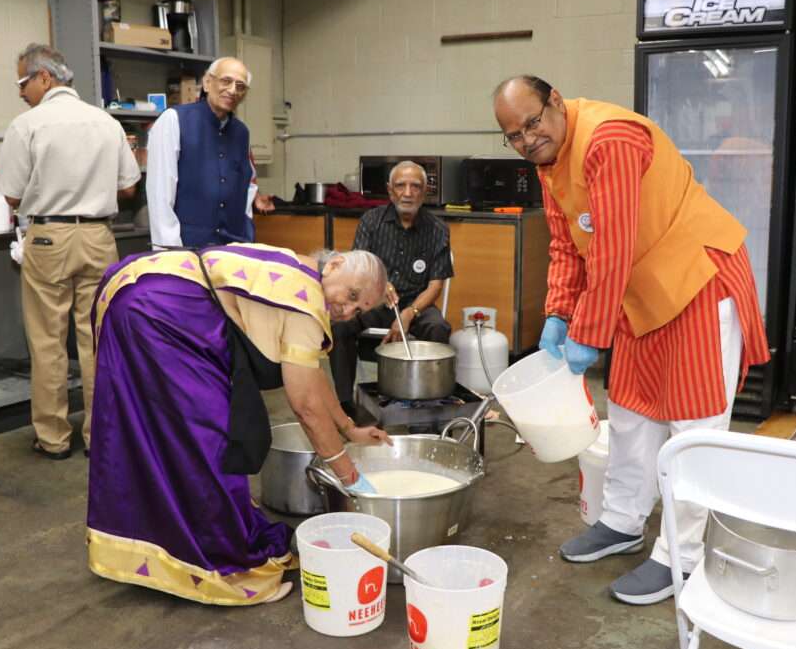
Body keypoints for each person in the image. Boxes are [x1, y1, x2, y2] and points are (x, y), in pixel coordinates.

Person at [493, 76, 770, 605]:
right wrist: (557, 312)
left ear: (556, 101)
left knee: (693, 425)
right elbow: (568, 246)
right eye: (514, 135)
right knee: (630, 413)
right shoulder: (550, 163)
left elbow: (613, 244)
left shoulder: (609, 139)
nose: (527, 140)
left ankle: (681, 556)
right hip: (638, 293)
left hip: (696, 280)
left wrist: (589, 330)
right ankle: (622, 520)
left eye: (532, 123)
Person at [86, 243, 392, 605]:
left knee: (155, 435)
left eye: (360, 308)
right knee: (209, 444)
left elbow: (311, 376)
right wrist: (348, 473)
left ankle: (155, 542)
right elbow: (306, 405)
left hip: (136, 294)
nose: (348, 309)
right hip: (162, 317)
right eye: (352, 294)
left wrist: (348, 428)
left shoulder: (298, 269)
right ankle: (228, 568)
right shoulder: (306, 299)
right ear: (336, 264)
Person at [0, 43, 140, 460]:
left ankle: (54, 438)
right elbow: (129, 187)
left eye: (23, 82)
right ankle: (101, 437)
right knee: (97, 340)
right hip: (99, 238)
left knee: (47, 343)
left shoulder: (27, 125)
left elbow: (10, 195)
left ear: (44, 77)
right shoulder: (106, 122)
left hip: (49, 239)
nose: (21, 92)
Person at [328, 161, 454, 412]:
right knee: (340, 323)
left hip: (418, 303)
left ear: (425, 191)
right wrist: (378, 282)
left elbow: (435, 285)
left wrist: (410, 313)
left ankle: (428, 403)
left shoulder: (438, 230)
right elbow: (358, 267)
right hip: (373, 300)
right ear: (390, 190)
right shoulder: (371, 221)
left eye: (415, 186)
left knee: (438, 327)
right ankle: (346, 405)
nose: (408, 192)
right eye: (401, 185)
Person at [146, 56, 273, 250]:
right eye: (226, 81)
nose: (232, 90)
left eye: (240, 86)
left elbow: (246, 188)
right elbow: (160, 193)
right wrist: (169, 253)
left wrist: (246, 239)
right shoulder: (174, 120)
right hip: (186, 248)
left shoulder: (241, 132)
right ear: (207, 82)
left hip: (232, 248)